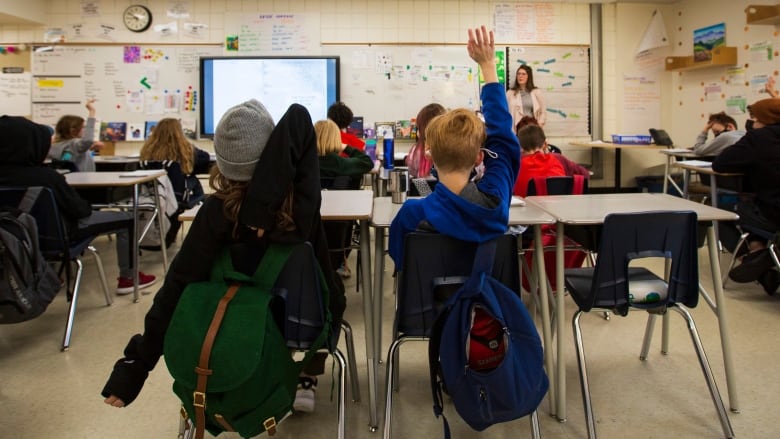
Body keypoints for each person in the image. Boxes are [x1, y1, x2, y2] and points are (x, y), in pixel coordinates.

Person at [101, 100, 345, 416]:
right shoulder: (301, 208)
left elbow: (175, 288)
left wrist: (136, 365)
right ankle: (307, 376)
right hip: (306, 327)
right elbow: (299, 117)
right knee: (322, 294)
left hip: (231, 330)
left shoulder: (215, 213)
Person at [389, 25, 519, 268]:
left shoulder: (413, 214)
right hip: (485, 302)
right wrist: (488, 66)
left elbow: (401, 261)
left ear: (430, 153)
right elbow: (502, 139)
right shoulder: (496, 202)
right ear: (480, 157)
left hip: (428, 303)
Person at [0, 115, 157, 295]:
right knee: (128, 218)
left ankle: (48, 271)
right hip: (57, 238)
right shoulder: (46, 178)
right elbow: (80, 211)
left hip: (11, 242)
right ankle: (129, 278)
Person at [713, 98, 780, 295]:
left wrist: (751, 137)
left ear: (766, 120)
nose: (753, 123)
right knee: (752, 206)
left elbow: (720, 164)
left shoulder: (760, 138)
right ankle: (761, 251)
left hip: (773, 213)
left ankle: (755, 260)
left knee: (718, 213)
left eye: (755, 119)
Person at [138, 117, 211, 246]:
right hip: (176, 199)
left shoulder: (147, 151)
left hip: (152, 197)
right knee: (192, 179)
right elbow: (205, 157)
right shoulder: (185, 150)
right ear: (179, 132)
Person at [315, 118, 373, 277]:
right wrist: (346, 147)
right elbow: (367, 162)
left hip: (310, 227)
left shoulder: (304, 163)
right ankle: (340, 262)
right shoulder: (341, 164)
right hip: (337, 227)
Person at [513, 124, 590, 197]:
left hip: (527, 209)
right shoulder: (558, 159)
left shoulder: (516, 164)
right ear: (545, 144)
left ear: (520, 147)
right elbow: (585, 174)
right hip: (559, 208)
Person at [48, 98, 104, 171]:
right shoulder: (73, 144)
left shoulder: (57, 145)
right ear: (73, 131)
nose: (85, 130)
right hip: (82, 180)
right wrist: (92, 112)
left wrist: (89, 149)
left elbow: (69, 155)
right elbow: (87, 141)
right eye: (83, 127)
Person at [405, 103, 446, 179]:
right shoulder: (450, 150)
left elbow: (412, 174)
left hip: (423, 188)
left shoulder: (416, 151)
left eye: (419, 128)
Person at [505, 65, 547, 130]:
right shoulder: (510, 93)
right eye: (518, 74)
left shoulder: (536, 92)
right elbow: (505, 112)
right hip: (516, 129)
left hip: (532, 128)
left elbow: (543, 111)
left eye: (523, 74)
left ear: (528, 77)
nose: (520, 76)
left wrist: (539, 125)